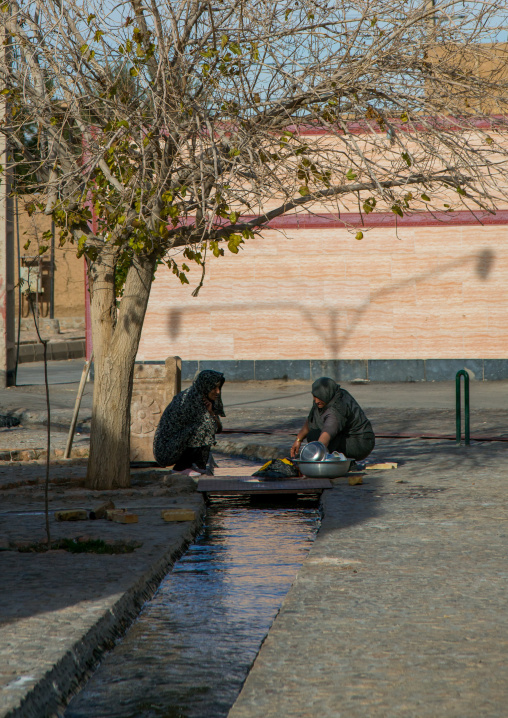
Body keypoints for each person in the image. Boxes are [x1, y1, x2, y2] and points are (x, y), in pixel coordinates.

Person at [153, 369, 225, 472]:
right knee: (204, 428)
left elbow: (218, 428)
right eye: (214, 388)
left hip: (179, 444)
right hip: (166, 449)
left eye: (219, 387)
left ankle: (196, 466)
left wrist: (211, 413)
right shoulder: (191, 399)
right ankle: (188, 467)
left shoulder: (204, 399)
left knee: (205, 426)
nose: (217, 392)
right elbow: (210, 428)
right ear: (206, 386)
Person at [290, 376, 375, 461]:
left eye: (319, 397)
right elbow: (311, 420)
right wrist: (298, 439)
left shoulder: (337, 407)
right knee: (313, 433)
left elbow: (329, 430)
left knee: (314, 436)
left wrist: (317, 453)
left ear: (326, 394)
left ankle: (343, 462)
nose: (316, 401)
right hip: (347, 437)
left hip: (360, 443)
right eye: (314, 396)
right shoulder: (328, 397)